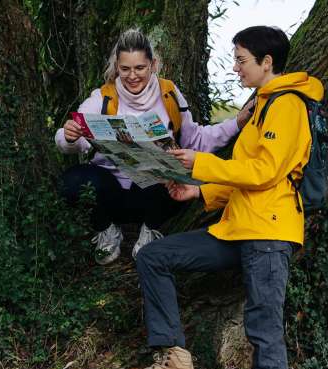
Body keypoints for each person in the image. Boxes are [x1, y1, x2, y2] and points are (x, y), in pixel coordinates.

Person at [126, 26, 324, 369]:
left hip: (269, 233)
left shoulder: (287, 105)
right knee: (155, 257)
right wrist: (199, 191)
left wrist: (203, 163)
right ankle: (175, 362)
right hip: (238, 228)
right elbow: (246, 177)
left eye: (241, 60)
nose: (235, 68)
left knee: (264, 331)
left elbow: (264, 173)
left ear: (267, 62)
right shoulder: (261, 106)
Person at [55, 28, 253, 264]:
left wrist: (236, 124)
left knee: (173, 174)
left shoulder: (169, 94)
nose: (132, 76)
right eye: (125, 68)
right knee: (72, 181)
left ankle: (150, 231)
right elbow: (69, 140)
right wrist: (68, 135)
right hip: (111, 193)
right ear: (117, 66)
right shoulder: (103, 97)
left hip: (155, 193)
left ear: (153, 64)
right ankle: (106, 229)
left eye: (140, 68)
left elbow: (196, 139)